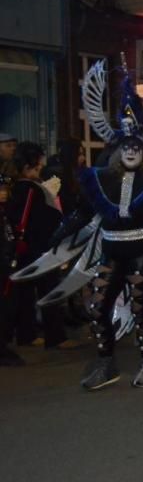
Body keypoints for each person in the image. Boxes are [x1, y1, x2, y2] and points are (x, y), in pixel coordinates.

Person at [12, 56, 143, 388]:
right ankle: (107, 363)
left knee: (139, 305)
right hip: (112, 251)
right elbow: (84, 213)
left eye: (136, 146)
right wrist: (61, 234)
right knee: (98, 306)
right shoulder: (100, 180)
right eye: (125, 147)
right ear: (117, 151)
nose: (131, 151)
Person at [8, 142, 76, 350]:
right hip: (40, 248)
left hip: (22, 248)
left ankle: (26, 335)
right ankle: (55, 337)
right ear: (31, 166)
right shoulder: (33, 190)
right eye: (38, 165)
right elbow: (48, 221)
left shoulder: (12, 188)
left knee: (25, 293)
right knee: (50, 290)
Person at [0, 174, 25, 365]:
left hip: (8, 264)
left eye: (4, 189)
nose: (3, 193)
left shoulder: (5, 211)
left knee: (9, 306)